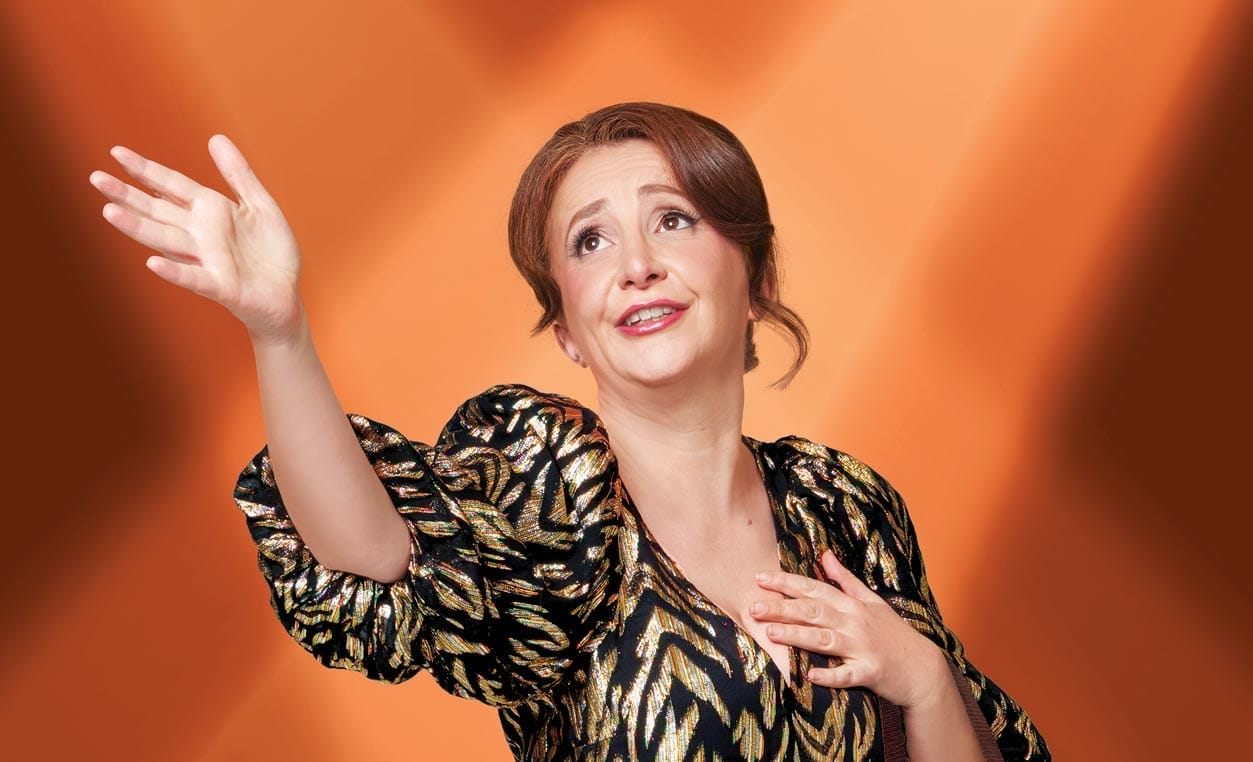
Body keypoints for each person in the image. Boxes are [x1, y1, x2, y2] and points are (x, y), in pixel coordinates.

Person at [89, 102, 1051, 761]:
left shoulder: (845, 504)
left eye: (672, 220)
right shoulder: (549, 486)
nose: (635, 264)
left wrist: (924, 680)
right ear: (567, 329)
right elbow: (375, 558)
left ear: (756, 278)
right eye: (590, 241)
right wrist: (280, 331)